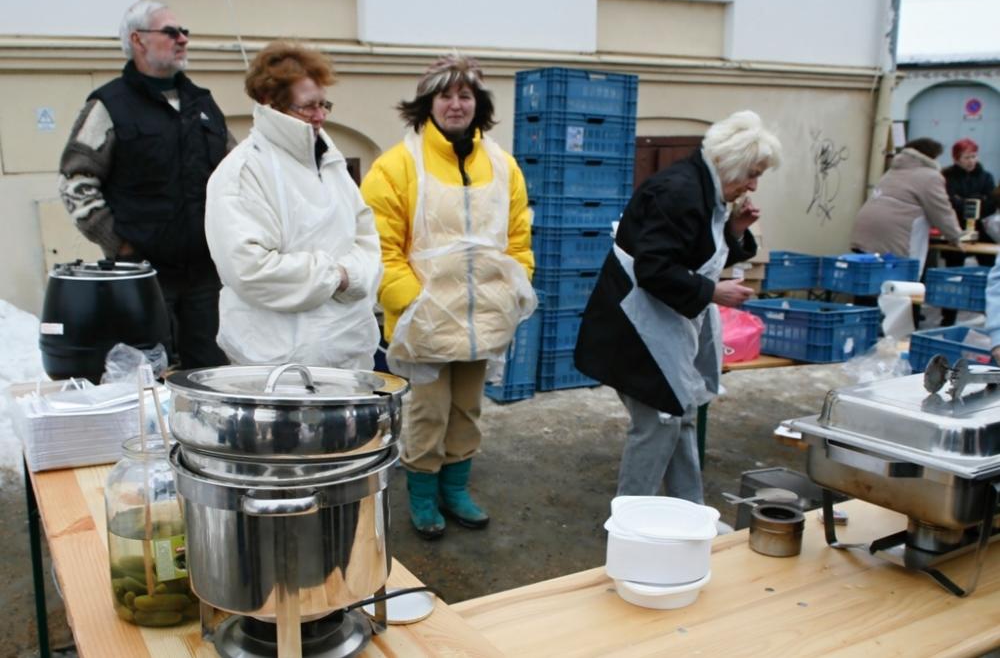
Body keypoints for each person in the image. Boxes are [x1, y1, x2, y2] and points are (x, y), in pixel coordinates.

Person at [361, 52, 535, 539]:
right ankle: (422, 494)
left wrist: (516, 285)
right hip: (425, 320)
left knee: (467, 410)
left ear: (479, 103)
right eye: (445, 95)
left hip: (484, 316)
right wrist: (411, 301)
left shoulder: (502, 165)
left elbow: (517, 237)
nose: (456, 104)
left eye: (465, 95)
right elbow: (380, 247)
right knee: (428, 412)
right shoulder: (396, 166)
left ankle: (455, 488)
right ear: (427, 103)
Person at [574, 110, 781, 503]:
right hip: (635, 329)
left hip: (661, 324)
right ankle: (630, 521)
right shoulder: (680, 192)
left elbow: (696, 250)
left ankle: (690, 512)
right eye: (752, 174)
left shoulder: (705, 190)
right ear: (730, 163)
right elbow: (654, 268)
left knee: (679, 415)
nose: (753, 185)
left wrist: (735, 230)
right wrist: (713, 292)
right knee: (657, 424)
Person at [58, 0, 231, 370]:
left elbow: (235, 174)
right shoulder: (109, 105)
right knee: (150, 374)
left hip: (206, 275)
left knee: (212, 374)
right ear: (137, 40)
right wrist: (118, 243)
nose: (183, 39)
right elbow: (76, 179)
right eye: (171, 32)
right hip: (143, 276)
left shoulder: (202, 103)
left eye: (184, 32)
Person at [204, 43, 381, 369]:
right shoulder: (242, 173)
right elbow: (249, 269)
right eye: (308, 107)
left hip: (349, 353)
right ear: (269, 103)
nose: (320, 116)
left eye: (323, 104)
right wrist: (336, 276)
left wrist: (351, 275)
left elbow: (366, 237)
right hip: (277, 366)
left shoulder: (330, 161)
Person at [849, 138, 964, 275]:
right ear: (931, 157)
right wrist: (955, 236)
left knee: (867, 278)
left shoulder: (892, 171)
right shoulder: (930, 176)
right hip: (894, 235)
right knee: (898, 281)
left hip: (865, 232)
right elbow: (942, 212)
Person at [939, 138, 997, 325]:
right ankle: (948, 318)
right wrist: (973, 201)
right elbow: (949, 202)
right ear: (956, 158)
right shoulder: (947, 177)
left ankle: (991, 316)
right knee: (953, 276)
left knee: (989, 275)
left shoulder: (985, 176)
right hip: (954, 230)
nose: (971, 161)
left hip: (982, 232)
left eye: (973, 156)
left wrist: (964, 201)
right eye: (966, 157)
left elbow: (990, 203)